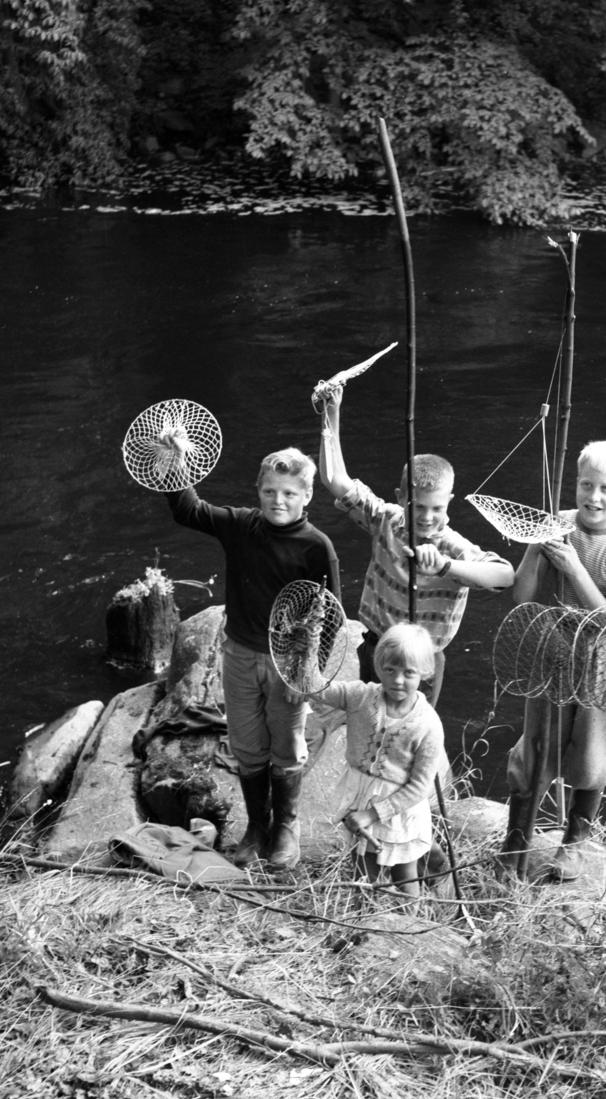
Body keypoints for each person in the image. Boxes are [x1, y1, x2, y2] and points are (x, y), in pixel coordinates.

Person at [165, 446, 341, 870]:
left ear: (306, 496)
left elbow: (332, 617)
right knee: (246, 744)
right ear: (258, 491)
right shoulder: (242, 525)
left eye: (289, 493)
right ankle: (257, 827)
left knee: (287, 745)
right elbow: (189, 511)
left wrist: (307, 676)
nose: (278, 501)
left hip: (288, 665)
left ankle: (286, 827)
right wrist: (173, 463)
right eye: (269, 491)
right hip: (239, 655)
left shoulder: (317, 547)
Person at [499, 440, 606, 881]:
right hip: (555, 654)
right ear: (576, 483)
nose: (593, 497)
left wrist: (574, 569)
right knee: (537, 747)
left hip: (604, 663)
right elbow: (522, 596)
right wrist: (535, 545)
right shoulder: (558, 525)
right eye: (586, 485)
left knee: (593, 756)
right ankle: (516, 838)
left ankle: (576, 840)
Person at [317, 385, 514, 704]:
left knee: (409, 731)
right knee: (371, 722)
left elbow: (504, 576)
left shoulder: (452, 546)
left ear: (449, 501)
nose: (427, 516)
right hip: (377, 647)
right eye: (418, 506)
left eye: (437, 508)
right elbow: (334, 480)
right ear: (400, 498)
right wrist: (331, 412)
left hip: (420, 663)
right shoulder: (385, 519)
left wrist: (446, 567)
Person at [318, 624, 447, 901]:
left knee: (404, 877)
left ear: (424, 672)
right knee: (363, 874)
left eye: (409, 673)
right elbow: (316, 688)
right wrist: (307, 647)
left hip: (399, 811)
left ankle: (410, 920)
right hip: (359, 798)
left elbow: (420, 787)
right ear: (378, 666)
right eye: (390, 670)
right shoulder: (361, 696)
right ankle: (363, 920)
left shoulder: (428, 724)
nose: (398, 680)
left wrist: (373, 814)